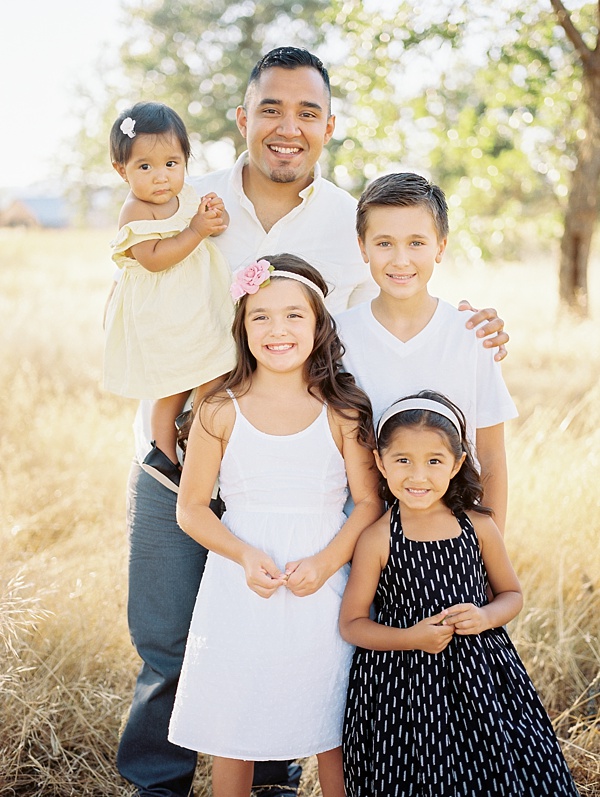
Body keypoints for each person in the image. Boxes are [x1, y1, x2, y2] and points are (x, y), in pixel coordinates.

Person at [115, 48, 509, 797]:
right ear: (242, 117)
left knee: (292, 632)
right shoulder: (180, 195)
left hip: (298, 472)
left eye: (306, 112)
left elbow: (399, 291)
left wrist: (474, 324)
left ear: (329, 126)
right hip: (182, 456)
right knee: (169, 644)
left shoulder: (346, 219)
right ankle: (156, 787)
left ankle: (274, 777)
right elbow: (137, 285)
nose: (287, 127)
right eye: (270, 108)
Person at [167, 255, 382, 797]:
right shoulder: (219, 408)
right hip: (242, 584)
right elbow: (191, 508)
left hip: (323, 580)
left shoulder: (343, 409)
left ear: (319, 325)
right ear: (241, 328)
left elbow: (366, 504)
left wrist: (328, 561)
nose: (277, 330)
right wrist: (242, 554)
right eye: (260, 317)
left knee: (331, 713)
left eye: (293, 316)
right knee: (234, 720)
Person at [339, 391, 580, 796]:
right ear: (380, 462)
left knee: (495, 766)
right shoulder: (378, 538)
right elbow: (352, 623)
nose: (419, 476)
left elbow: (511, 594)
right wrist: (409, 638)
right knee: (417, 774)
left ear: (458, 463)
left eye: (434, 461)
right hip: (402, 684)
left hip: (481, 674)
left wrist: (487, 616)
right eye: (403, 461)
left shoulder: (478, 526)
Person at [336, 172, 517, 532]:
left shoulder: (471, 335)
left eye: (416, 242)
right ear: (362, 247)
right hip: (361, 535)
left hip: (451, 535)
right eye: (384, 243)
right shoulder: (338, 337)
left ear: (440, 246)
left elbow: (492, 455)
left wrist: (487, 548)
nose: (400, 260)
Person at [105, 101, 236, 488]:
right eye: (145, 167)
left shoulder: (189, 196)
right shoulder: (135, 211)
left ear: (185, 162)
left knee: (216, 369)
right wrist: (194, 231)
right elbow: (154, 259)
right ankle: (162, 450)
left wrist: (214, 214)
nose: (160, 177)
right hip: (163, 314)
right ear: (121, 170)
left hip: (196, 309)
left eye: (171, 164)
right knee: (173, 384)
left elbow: (218, 226)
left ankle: (198, 439)